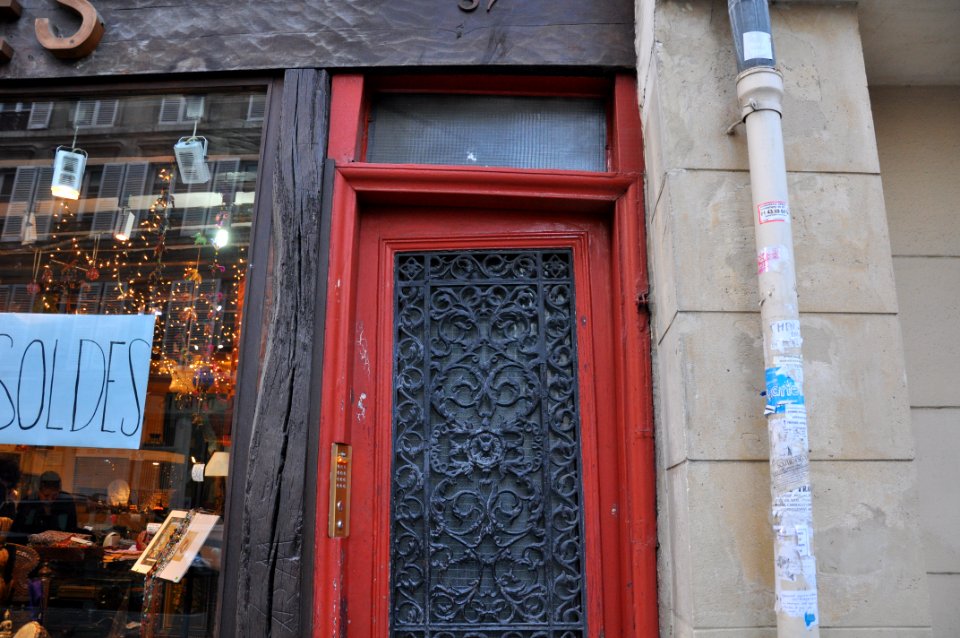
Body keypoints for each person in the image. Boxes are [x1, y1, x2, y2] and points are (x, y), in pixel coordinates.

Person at [10, 471, 79, 538]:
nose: (50, 499)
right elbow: (17, 531)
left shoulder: (66, 503)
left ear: (59, 492)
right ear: (38, 492)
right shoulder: (28, 503)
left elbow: (72, 529)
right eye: (46, 495)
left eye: (54, 495)